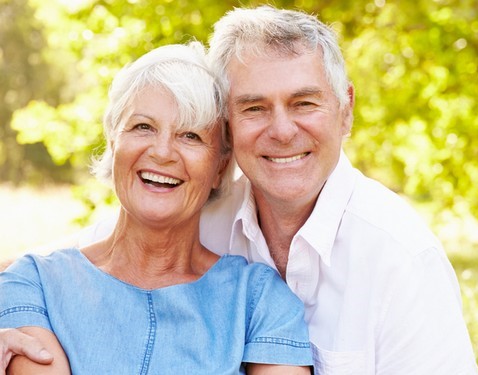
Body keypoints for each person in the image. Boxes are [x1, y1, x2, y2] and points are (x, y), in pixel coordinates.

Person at [2, 5, 478, 374]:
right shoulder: (194, 208)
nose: (282, 130)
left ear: (345, 108)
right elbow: (66, 266)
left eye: (304, 103)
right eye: (254, 108)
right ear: (229, 133)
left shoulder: (400, 258)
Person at [0, 42, 313, 374]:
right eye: (143, 127)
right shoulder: (32, 284)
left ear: (220, 167)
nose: (162, 152)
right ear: (113, 143)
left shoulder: (260, 301)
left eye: (190, 136)